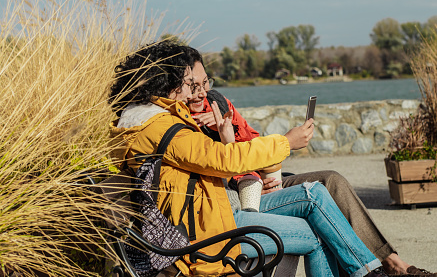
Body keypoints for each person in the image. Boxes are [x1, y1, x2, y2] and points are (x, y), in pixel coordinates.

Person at [108, 41, 390, 277]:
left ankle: (369, 269)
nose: (194, 91)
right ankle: (369, 271)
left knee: (314, 192)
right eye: (187, 84)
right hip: (208, 237)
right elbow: (223, 159)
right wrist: (286, 142)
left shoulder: (149, 124)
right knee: (316, 235)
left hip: (214, 217)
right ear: (166, 83)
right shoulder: (162, 128)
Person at [185, 47, 436, 277]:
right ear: (179, 87)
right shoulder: (182, 126)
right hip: (240, 196)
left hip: (260, 178)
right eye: (193, 86)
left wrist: (230, 129)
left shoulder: (216, 101)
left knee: (332, 180)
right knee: (316, 200)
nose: (201, 92)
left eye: (205, 82)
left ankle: (395, 264)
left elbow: (253, 141)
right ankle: (376, 270)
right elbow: (217, 172)